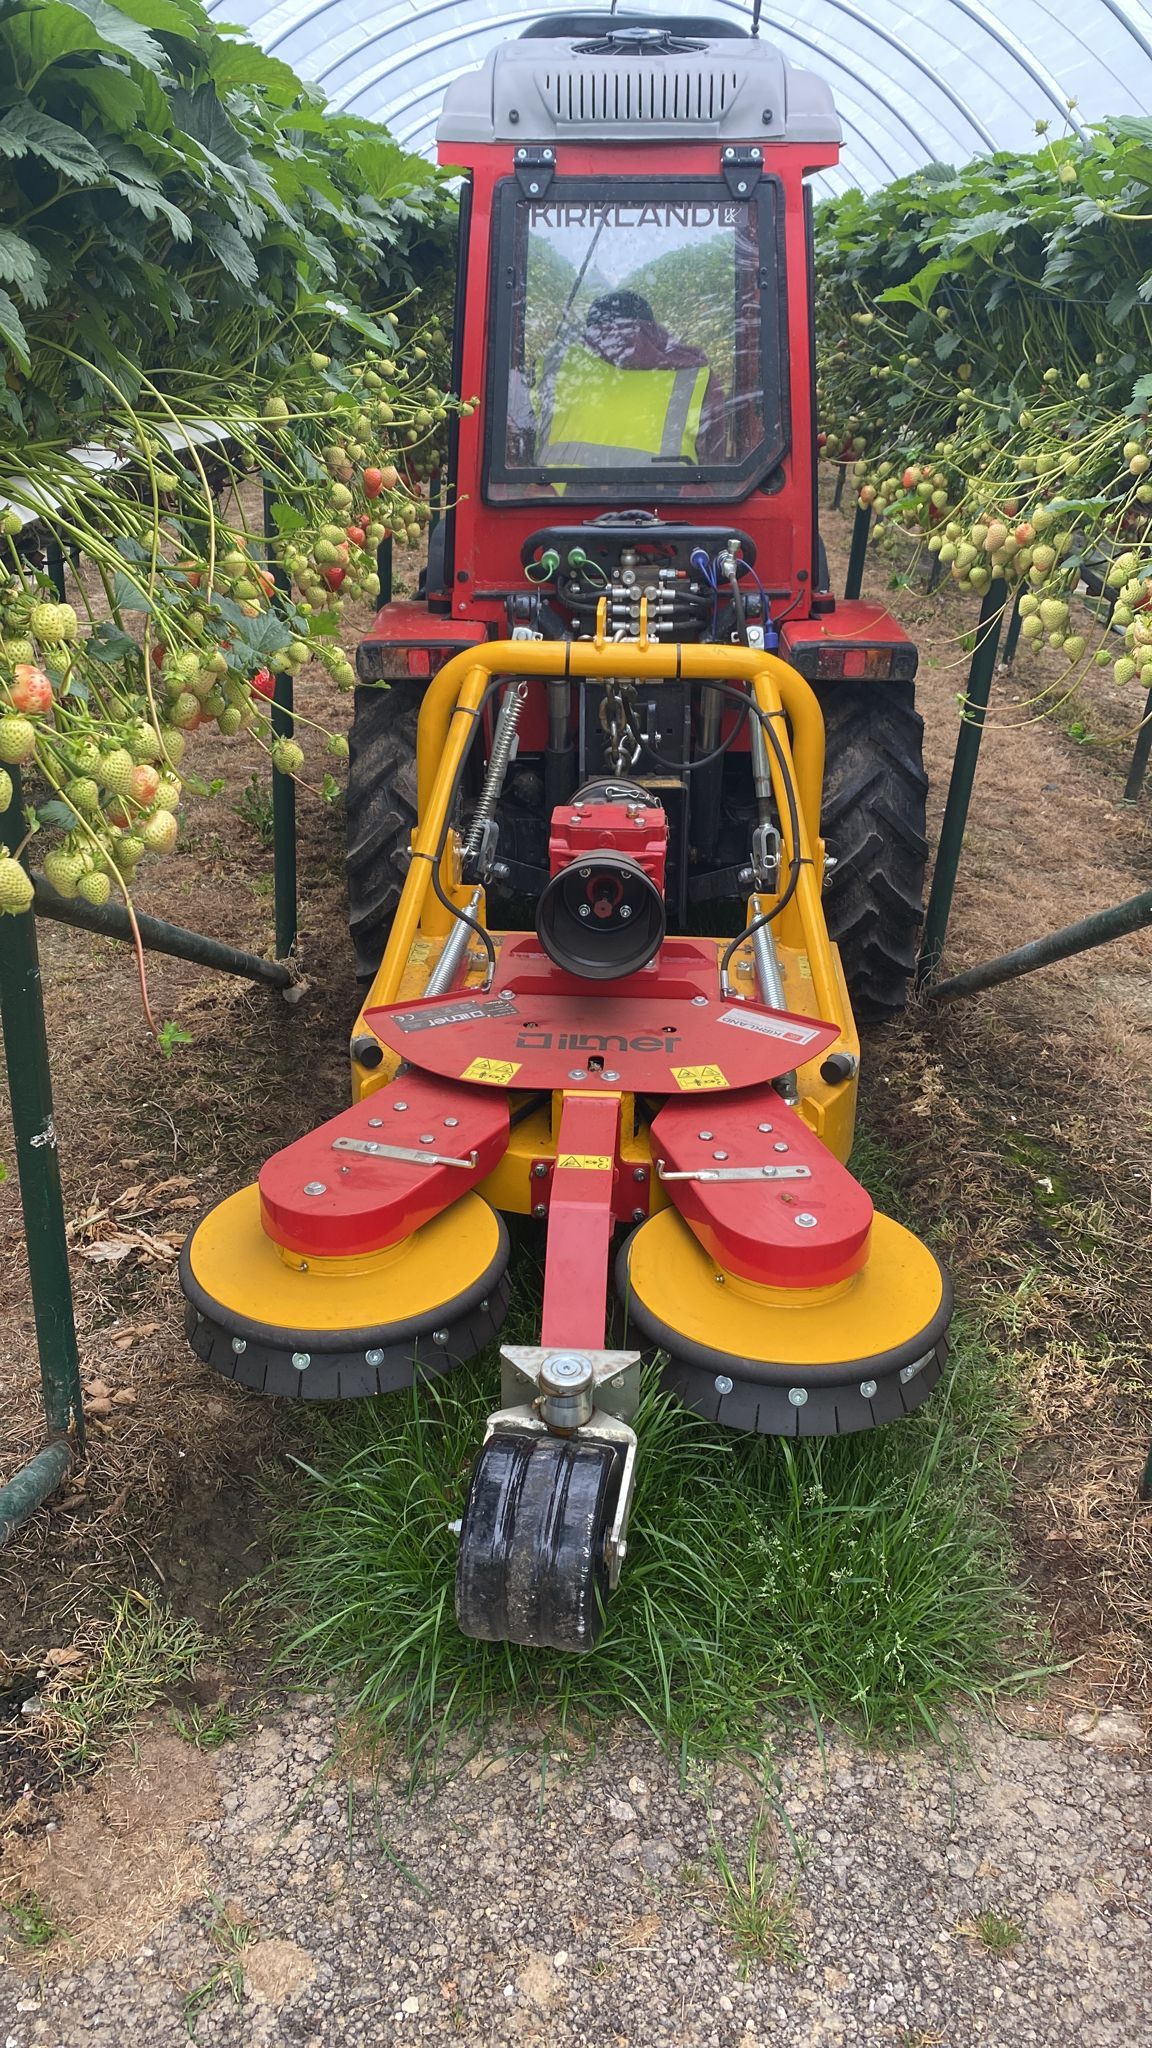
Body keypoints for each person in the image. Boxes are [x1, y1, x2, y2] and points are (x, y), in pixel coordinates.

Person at [537, 290, 726, 470]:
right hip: (669, 502)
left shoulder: (554, 367)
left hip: (555, 501)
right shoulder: (697, 377)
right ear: (653, 329)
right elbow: (715, 468)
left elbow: (519, 436)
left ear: (590, 330)